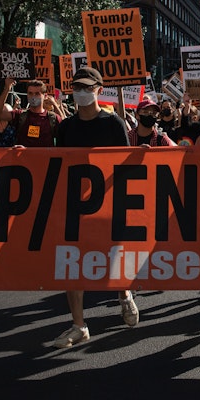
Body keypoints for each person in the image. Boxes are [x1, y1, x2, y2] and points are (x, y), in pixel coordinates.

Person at [52, 66, 138, 348]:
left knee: (112, 256)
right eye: (77, 87)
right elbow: (57, 164)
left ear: (100, 90)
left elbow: (125, 162)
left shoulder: (113, 124)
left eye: (88, 88)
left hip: (108, 203)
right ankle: (79, 325)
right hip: (75, 205)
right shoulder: (65, 127)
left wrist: (140, 158)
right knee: (71, 264)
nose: (82, 93)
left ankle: (124, 294)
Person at [0, 78, 60, 147]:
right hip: (22, 157)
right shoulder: (20, 115)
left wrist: (55, 105)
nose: (33, 96)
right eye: (30, 93)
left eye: (37, 94)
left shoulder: (53, 118)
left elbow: (65, 129)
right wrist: (7, 88)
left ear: (45, 96)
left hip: (45, 157)